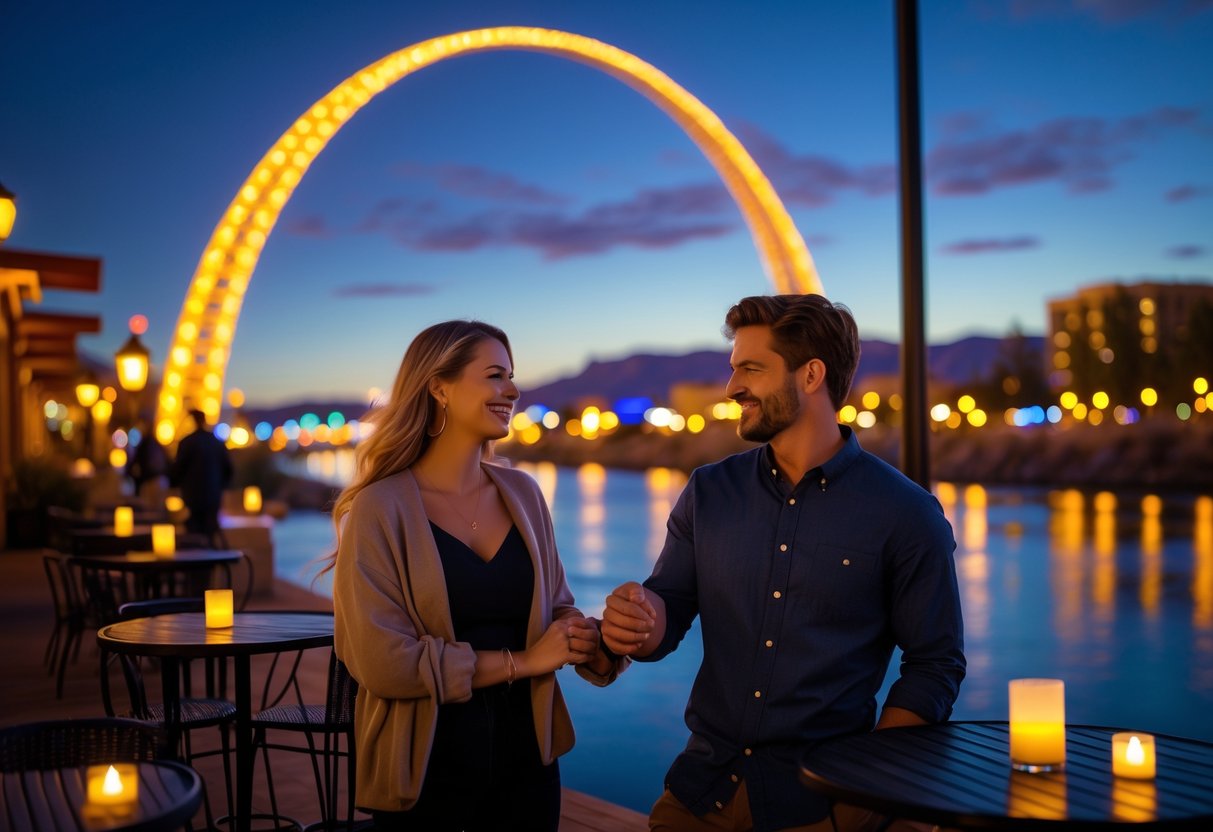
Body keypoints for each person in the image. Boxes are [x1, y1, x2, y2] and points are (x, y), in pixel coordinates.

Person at [598, 294, 966, 832]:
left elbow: (935, 665)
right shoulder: (709, 491)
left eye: (752, 368)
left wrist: (869, 792)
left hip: (824, 805)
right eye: (733, 369)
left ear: (811, 374)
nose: (732, 388)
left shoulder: (905, 513)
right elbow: (669, 610)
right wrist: (639, 619)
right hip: (701, 793)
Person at [328, 320, 603, 831]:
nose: (513, 390)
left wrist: (586, 634)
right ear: (439, 387)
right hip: (427, 768)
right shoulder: (379, 508)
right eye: (495, 375)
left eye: (512, 376)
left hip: (530, 762)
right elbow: (381, 662)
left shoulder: (524, 494)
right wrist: (523, 662)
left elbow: (557, 607)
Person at [170, 408, 233, 544]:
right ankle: (209, 560)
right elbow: (228, 469)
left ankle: (198, 561)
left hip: (193, 497)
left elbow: (178, 469)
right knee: (209, 533)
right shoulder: (216, 442)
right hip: (213, 495)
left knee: (194, 535)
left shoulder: (187, 442)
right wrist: (220, 487)